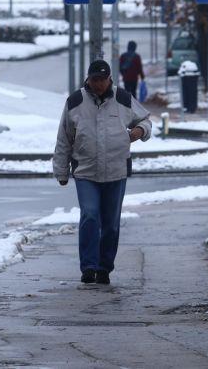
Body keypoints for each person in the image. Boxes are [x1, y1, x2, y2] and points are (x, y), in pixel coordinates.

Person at [53, 59, 152, 285]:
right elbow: (64, 138)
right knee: (89, 215)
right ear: (88, 79)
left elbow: (146, 120)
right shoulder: (75, 101)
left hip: (116, 171)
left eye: (102, 80)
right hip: (85, 171)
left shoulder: (123, 99)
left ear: (109, 79)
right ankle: (88, 266)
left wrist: (139, 130)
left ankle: (104, 267)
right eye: (94, 80)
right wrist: (61, 171)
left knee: (111, 223)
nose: (98, 84)